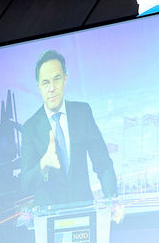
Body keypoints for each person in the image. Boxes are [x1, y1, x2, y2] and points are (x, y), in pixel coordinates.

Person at [20, 50, 119, 215]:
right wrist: (43, 164)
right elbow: (25, 185)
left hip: (84, 212)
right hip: (49, 218)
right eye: (45, 83)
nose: (51, 88)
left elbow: (103, 164)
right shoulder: (30, 128)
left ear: (65, 79)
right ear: (39, 87)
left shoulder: (82, 113)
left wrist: (113, 200)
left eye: (56, 79)